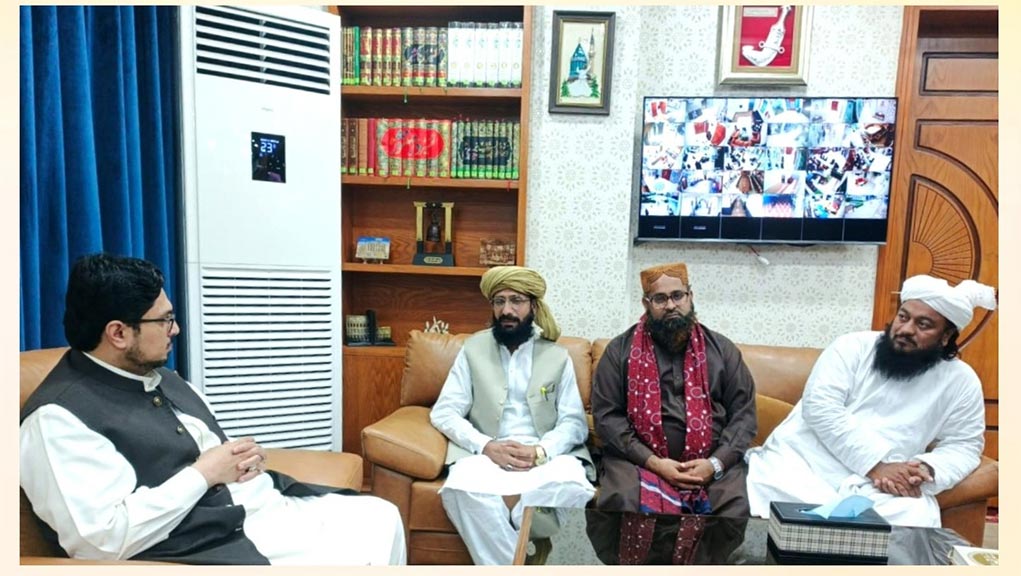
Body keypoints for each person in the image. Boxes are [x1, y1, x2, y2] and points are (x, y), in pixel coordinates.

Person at [20, 254, 406, 565]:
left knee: (381, 516)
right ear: (118, 333)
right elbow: (101, 541)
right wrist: (205, 473)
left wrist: (241, 460)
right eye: (165, 319)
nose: (175, 330)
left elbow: (201, 451)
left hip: (255, 506)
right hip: (209, 542)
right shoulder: (57, 420)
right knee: (358, 552)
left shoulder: (158, 376)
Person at [745, 274, 997, 527]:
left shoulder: (962, 381)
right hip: (808, 462)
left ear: (945, 336)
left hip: (883, 485)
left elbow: (964, 444)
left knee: (913, 516)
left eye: (923, 324)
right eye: (903, 316)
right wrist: (875, 464)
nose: (906, 329)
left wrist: (925, 470)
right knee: (784, 499)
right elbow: (821, 407)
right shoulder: (852, 346)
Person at [589, 262, 757, 564]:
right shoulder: (619, 351)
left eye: (677, 296)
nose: (671, 305)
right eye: (660, 299)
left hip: (711, 462)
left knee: (731, 507)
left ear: (690, 296)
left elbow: (744, 416)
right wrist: (654, 462)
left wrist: (714, 464)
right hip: (638, 461)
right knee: (623, 500)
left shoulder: (723, 350)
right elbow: (607, 418)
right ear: (646, 303)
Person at [430, 266, 595, 565]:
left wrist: (540, 452)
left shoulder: (557, 356)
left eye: (516, 300)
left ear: (533, 305)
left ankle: (508, 547)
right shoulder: (473, 349)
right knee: (459, 489)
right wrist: (485, 445)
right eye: (499, 301)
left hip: (545, 456)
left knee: (574, 485)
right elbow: (445, 411)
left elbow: (574, 422)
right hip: (486, 454)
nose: (507, 310)